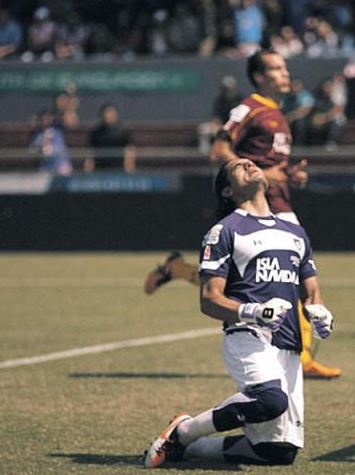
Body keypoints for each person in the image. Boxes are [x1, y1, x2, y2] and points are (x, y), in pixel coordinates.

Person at [144, 49, 342, 380]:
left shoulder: (278, 113)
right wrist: (263, 175)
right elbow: (218, 151)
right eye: (276, 69)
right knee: (283, 279)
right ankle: (302, 357)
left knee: (267, 279)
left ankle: (179, 270)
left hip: (277, 202)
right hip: (255, 206)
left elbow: (271, 164)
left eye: (284, 67)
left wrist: (289, 176)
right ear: (259, 77)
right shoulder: (248, 109)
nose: (285, 73)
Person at [142, 157, 336, 468]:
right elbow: (209, 300)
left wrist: (319, 310)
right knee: (271, 400)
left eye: (250, 163)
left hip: (289, 346)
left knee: (278, 452)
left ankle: (191, 450)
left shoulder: (295, 232)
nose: (250, 165)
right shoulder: (224, 231)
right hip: (248, 335)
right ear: (227, 191)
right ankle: (183, 432)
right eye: (239, 166)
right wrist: (254, 312)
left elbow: (311, 289)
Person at [84, 102, 136, 173]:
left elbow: (130, 150)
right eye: (107, 113)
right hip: (100, 170)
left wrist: (129, 166)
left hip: (118, 169)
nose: (109, 116)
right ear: (102, 115)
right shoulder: (95, 132)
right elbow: (90, 153)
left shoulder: (123, 131)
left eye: (111, 113)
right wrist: (88, 168)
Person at [28, 109, 73, 175]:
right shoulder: (36, 135)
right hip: (45, 167)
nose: (47, 120)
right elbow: (32, 151)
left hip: (61, 165)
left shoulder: (58, 131)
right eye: (44, 118)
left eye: (49, 117)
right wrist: (42, 146)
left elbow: (69, 122)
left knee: (64, 169)